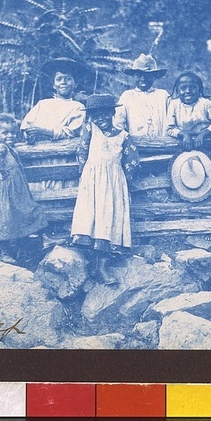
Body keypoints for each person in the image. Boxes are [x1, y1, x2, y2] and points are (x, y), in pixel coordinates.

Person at [70, 94, 140, 285]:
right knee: (92, 217)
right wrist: (84, 174)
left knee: (109, 217)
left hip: (114, 182)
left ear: (112, 113)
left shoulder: (123, 136)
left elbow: (132, 161)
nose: (100, 119)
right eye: (95, 115)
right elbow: (81, 152)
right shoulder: (90, 130)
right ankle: (92, 263)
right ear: (90, 117)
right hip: (92, 179)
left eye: (104, 114)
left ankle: (102, 264)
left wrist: (127, 181)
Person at [0, 114, 48, 261]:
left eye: (13, 132)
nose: (10, 135)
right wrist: (1, 172)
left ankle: (44, 239)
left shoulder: (10, 148)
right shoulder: (1, 147)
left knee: (30, 210)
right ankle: (4, 252)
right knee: (5, 218)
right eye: (5, 133)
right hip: (5, 190)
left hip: (16, 189)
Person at [20, 57, 88, 144]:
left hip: (63, 152)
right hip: (38, 150)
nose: (63, 82)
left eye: (68, 79)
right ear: (54, 85)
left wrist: (47, 132)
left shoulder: (77, 107)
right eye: (59, 79)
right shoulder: (43, 104)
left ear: (75, 84)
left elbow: (73, 132)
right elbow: (26, 127)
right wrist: (29, 136)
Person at [113, 53, 171, 137]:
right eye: (139, 75)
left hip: (161, 144)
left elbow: (171, 121)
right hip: (136, 145)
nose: (143, 79)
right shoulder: (127, 96)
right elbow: (118, 123)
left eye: (148, 75)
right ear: (133, 76)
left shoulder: (163, 95)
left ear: (155, 77)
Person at [166, 70, 211, 151]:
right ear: (177, 91)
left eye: (192, 87)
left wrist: (203, 135)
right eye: (183, 88)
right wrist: (184, 135)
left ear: (199, 89)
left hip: (205, 142)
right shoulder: (174, 105)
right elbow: (169, 128)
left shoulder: (205, 103)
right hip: (181, 143)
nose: (188, 91)